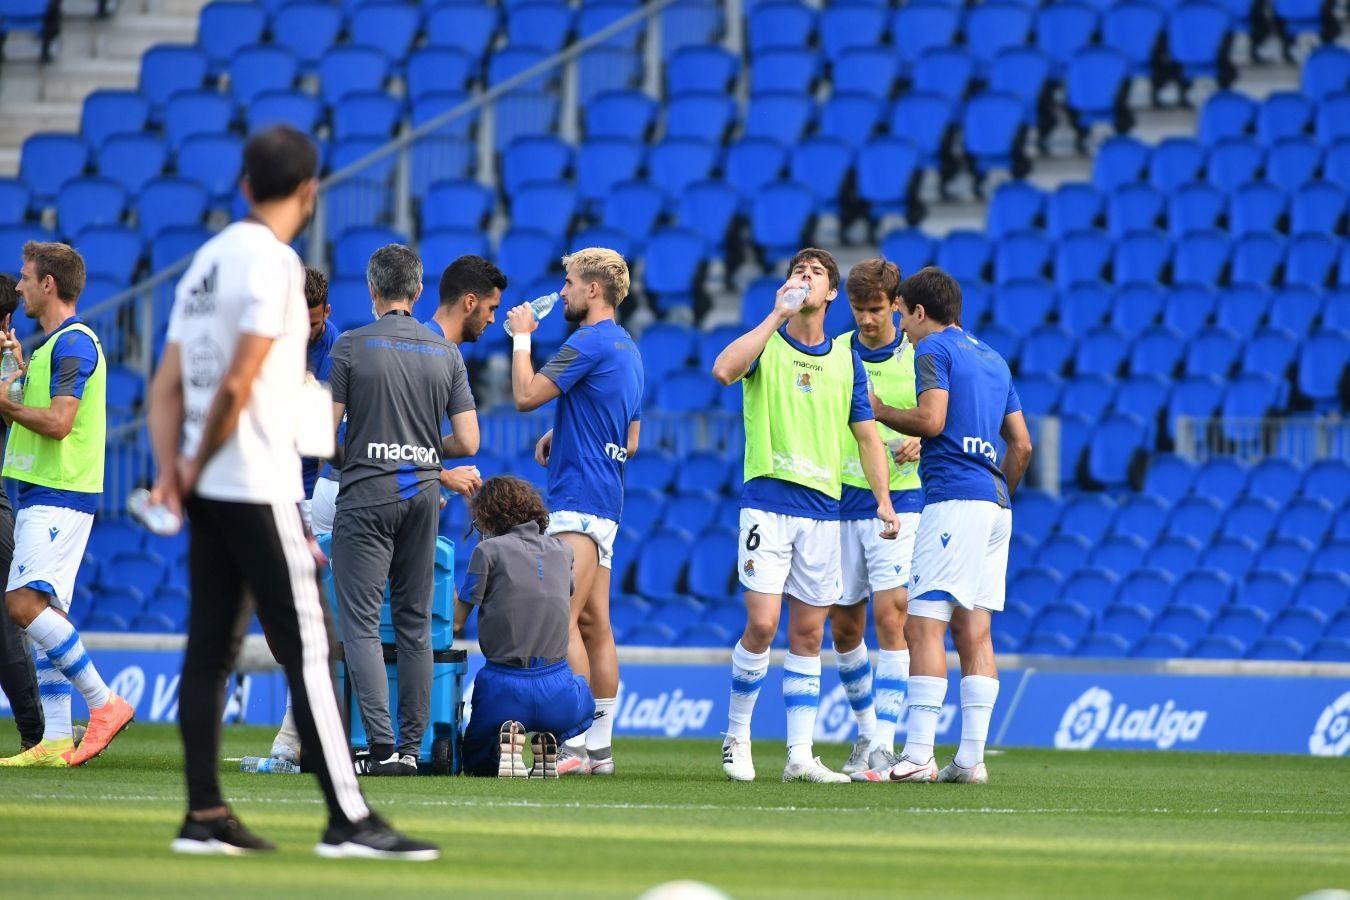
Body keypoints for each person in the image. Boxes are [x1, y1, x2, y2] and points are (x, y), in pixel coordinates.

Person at [145, 124, 437, 858]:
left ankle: (205, 815)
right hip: (254, 477)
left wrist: (174, 468)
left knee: (208, 648)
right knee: (314, 646)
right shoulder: (277, 268)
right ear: (309, 193)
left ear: (244, 185)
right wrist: (201, 459)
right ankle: (349, 818)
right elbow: (241, 381)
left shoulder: (205, 262)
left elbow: (166, 386)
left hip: (208, 483)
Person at [711, 247, 900, 784]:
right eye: (798, 271)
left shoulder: (847, 361)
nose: (805, 278)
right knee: (764, 623)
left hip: (824, 510)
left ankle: (799, 755)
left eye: (816, 274)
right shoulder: (768, 343)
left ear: (832, 293)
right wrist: (776, 316)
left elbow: (867, 438)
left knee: (810, 635)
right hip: (768, 503)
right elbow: (723, 370)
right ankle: (737, 737)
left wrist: (883, 499)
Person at [868, 267, 1032, 785]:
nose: (904, 329)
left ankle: (917, 755)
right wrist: (997, 493)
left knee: (923, 625)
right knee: (975, 631)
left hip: (955, 500)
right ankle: (970, 760)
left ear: (919, 312)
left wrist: (878, 409)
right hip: (995, 505)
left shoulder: (933, 351)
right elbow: (1022, 445)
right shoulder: (992, 358)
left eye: (903, 316)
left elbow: (933, 420)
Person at [329, 243, 480, 777]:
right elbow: (468, 440)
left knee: (364, 627)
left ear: (372, 292)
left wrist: (366, 450)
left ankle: (381, 748)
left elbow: (324, 437)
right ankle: (412, 753)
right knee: (416, 626)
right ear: (417, 293)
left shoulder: (350, 346)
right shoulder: (446, 354)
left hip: (367, 495)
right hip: (422, 497)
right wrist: (418, 449)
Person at [508, 247, 642, 777]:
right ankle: (601, 751)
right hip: (607, 501)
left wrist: (521, 334)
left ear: (592, 290)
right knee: (596, 625)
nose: (562, 292)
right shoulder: (628, 350)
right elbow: (629, 439)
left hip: (577, 502)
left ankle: (578, 744)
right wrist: (563, 432)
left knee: (561, 621)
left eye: (567, 282)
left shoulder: (585, 341)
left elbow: (523, 394)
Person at [0, 241, 133, 769]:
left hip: (61, 493)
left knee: (21, 605)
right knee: (45, 613)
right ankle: (55, 738)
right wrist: (16, 384)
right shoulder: (50, 347)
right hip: (43, 491)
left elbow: (59, 423)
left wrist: (5, 403)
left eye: (26, 278)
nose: (18, 288)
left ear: (49, 284)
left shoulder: (76, 344)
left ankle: (104, 702)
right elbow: (34, 421)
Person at [826, 258, 924, 783]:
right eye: (859, 310)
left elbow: (942, 421)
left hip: (901, 500)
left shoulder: (919, 357)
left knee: (892, 617)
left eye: (877, 310)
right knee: (844, 626)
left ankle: (885, 742)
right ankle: (866, 731)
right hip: (839, 499)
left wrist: (923, 440)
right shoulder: (835, 354)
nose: (867, 320)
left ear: (897, 306)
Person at [454, 475, 596, 778]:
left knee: (475, 760)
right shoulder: (562, 551)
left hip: (502, 687)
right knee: (584, 694)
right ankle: (548, 737)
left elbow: (455, 622)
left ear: (488, 514)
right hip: (559, 692)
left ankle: (510, 739)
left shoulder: (487, 552)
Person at [270, 267, 340, 764]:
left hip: (314, 496)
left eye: (312, 324)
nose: (306, 331)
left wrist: (310, 392)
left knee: (309, 614)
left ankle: (298, 731)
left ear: (325, 315)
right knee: (277, 616)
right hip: (269, 486)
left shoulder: (338, 350)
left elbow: (324, 442)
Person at [424, 254, 505, 538]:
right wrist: (439, 474)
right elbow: (467, 442)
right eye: (491, 308)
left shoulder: (429, 347)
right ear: (470, 303)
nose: (493, 319)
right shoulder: (437, 354)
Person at [0, 274, 43, 755]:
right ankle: (36, 732)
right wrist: (19, 368)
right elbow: (26, 422)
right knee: (9, 622)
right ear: (8, 318)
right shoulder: (5, 360)